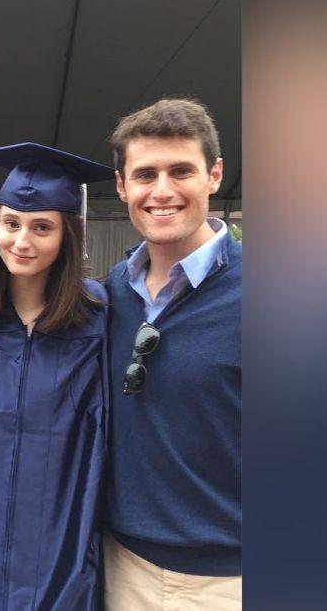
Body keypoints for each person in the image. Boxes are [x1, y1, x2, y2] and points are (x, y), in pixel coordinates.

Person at [0, 143, 112, 610]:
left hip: (63, 544)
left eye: (42, 227)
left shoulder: (98, 318)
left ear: (67, 236)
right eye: (11, 223)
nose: (22, 241)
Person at [102, 98, 241, 609]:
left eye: (181, 170)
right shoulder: (108, 295)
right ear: (122, 186)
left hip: (230, 580)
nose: (162, 192)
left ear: (214, 175)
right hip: (122, 568)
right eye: (145, 174)